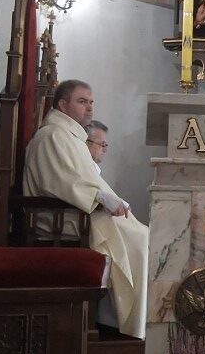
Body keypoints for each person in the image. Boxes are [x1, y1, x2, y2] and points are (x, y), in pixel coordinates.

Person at [23, 80, 148, 340]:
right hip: (60, 219)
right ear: (62, 104)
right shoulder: (53, 136)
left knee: (142, 236)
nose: (89, 108)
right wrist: (99, 197)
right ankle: (120, 327)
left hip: (76, 212)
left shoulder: (69, 136)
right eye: (82, 101)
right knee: (138, 241)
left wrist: (106, 198)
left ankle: (123, 321)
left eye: (91, 102)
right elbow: (60, 181)